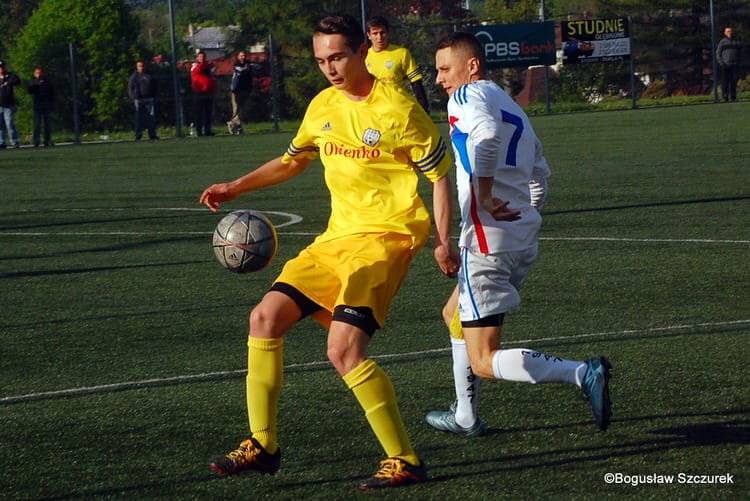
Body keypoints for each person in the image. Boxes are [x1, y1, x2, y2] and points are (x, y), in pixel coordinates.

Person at [199, 13, 457, 490]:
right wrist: (236, 186)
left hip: (386, 240)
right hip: (335, 240)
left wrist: (443, 240)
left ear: (362, 51)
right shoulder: (322, 105)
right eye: (321, 60)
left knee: (342, 349)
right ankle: (262, 444)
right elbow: (293, 159)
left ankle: (404, 459)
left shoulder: (398, 109)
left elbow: (440, 176)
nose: (330, 68)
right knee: (264, 318)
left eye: (337, 56)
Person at [424, 32, 612, 438]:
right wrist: (524, 216)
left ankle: (581, 373)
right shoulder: (513, 106)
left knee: (483, 359)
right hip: (518, 238)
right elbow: (540, 175)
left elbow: (487, 135)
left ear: (472, 66)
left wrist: (487, 197)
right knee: (452, 314)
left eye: (444, 69)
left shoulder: (467, 98)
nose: (439, 80)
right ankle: (465, 417)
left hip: (487, 241)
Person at [365, 16, 430, 113]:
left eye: (382, 32)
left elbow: (416, 83)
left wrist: (424, 109)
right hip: (374, 110)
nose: (379, 37)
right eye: (375, 33)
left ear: (388, 33)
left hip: (398, 109)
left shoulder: (402, 53)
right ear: (369, 35)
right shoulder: (363, 57)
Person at [127, 60, 159, 141]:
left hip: (149, 99)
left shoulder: (149, 75)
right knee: (138, 118)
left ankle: (152, 135)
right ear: (137, 67)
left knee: (151, 118)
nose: (141, 67)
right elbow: (130, 87)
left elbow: (155, 85)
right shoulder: (134, 76)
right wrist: (133, 97)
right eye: (139, 66)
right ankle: (138, 135)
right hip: (139, 100)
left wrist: (154, 95)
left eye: (142, 65)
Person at [190, 50, 217, 136]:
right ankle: (199, 131)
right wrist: (206, 65)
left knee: (208, 112)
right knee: (199, 112)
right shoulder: (195, 66)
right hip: (199, 92)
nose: (202, 58)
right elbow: (197, 70)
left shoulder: (207, 67)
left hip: (208, 92)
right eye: (200, 57)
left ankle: (207, 130)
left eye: (203, 57)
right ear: (197, 58)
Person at [27, 67, 55, 147]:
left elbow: (52, 93)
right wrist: (36, 84)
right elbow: (29, 91)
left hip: (46, 104)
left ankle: (47, 140)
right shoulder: (32, 82)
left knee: (48, 124)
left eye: (40, 72)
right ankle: (36, 141)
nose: (38, 74)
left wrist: (52, 104)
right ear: (34, 74)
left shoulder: (47, 82)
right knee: (37, 124)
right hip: (37, 105)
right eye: (37, 73)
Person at [227, 51, 253, 135]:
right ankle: (237, 127)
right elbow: (240, 71)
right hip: (236, 90)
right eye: (241, 56)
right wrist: (246, 68)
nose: (243, 57)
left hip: (246, 89)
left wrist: (250, 66)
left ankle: (233, 122)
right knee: (236, 108)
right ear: (238, 57)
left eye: (244, 55)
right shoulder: (236, 65)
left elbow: (258, 67)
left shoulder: (249, 64)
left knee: (245, 107)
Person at [716, 26, 742, 102]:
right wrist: (721, 63)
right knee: (725, 82)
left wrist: (739, 62)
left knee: (734, 81)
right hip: (725, 65)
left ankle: (733, 97)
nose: (729, 33)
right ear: (724, 33)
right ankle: (725, 97)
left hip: (735, 65)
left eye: (730, 31)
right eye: (727, 31)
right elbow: (718, 53)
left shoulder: (736, 41)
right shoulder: (722, 42)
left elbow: (740, 52)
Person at [0, 60, 21, 149]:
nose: (1, 69)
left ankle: (14, 141)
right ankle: (1, 142)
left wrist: (7, 83)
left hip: (8, 104)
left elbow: (17, 81)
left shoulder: (10, 75)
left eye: (2, 67)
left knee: (9, 124)